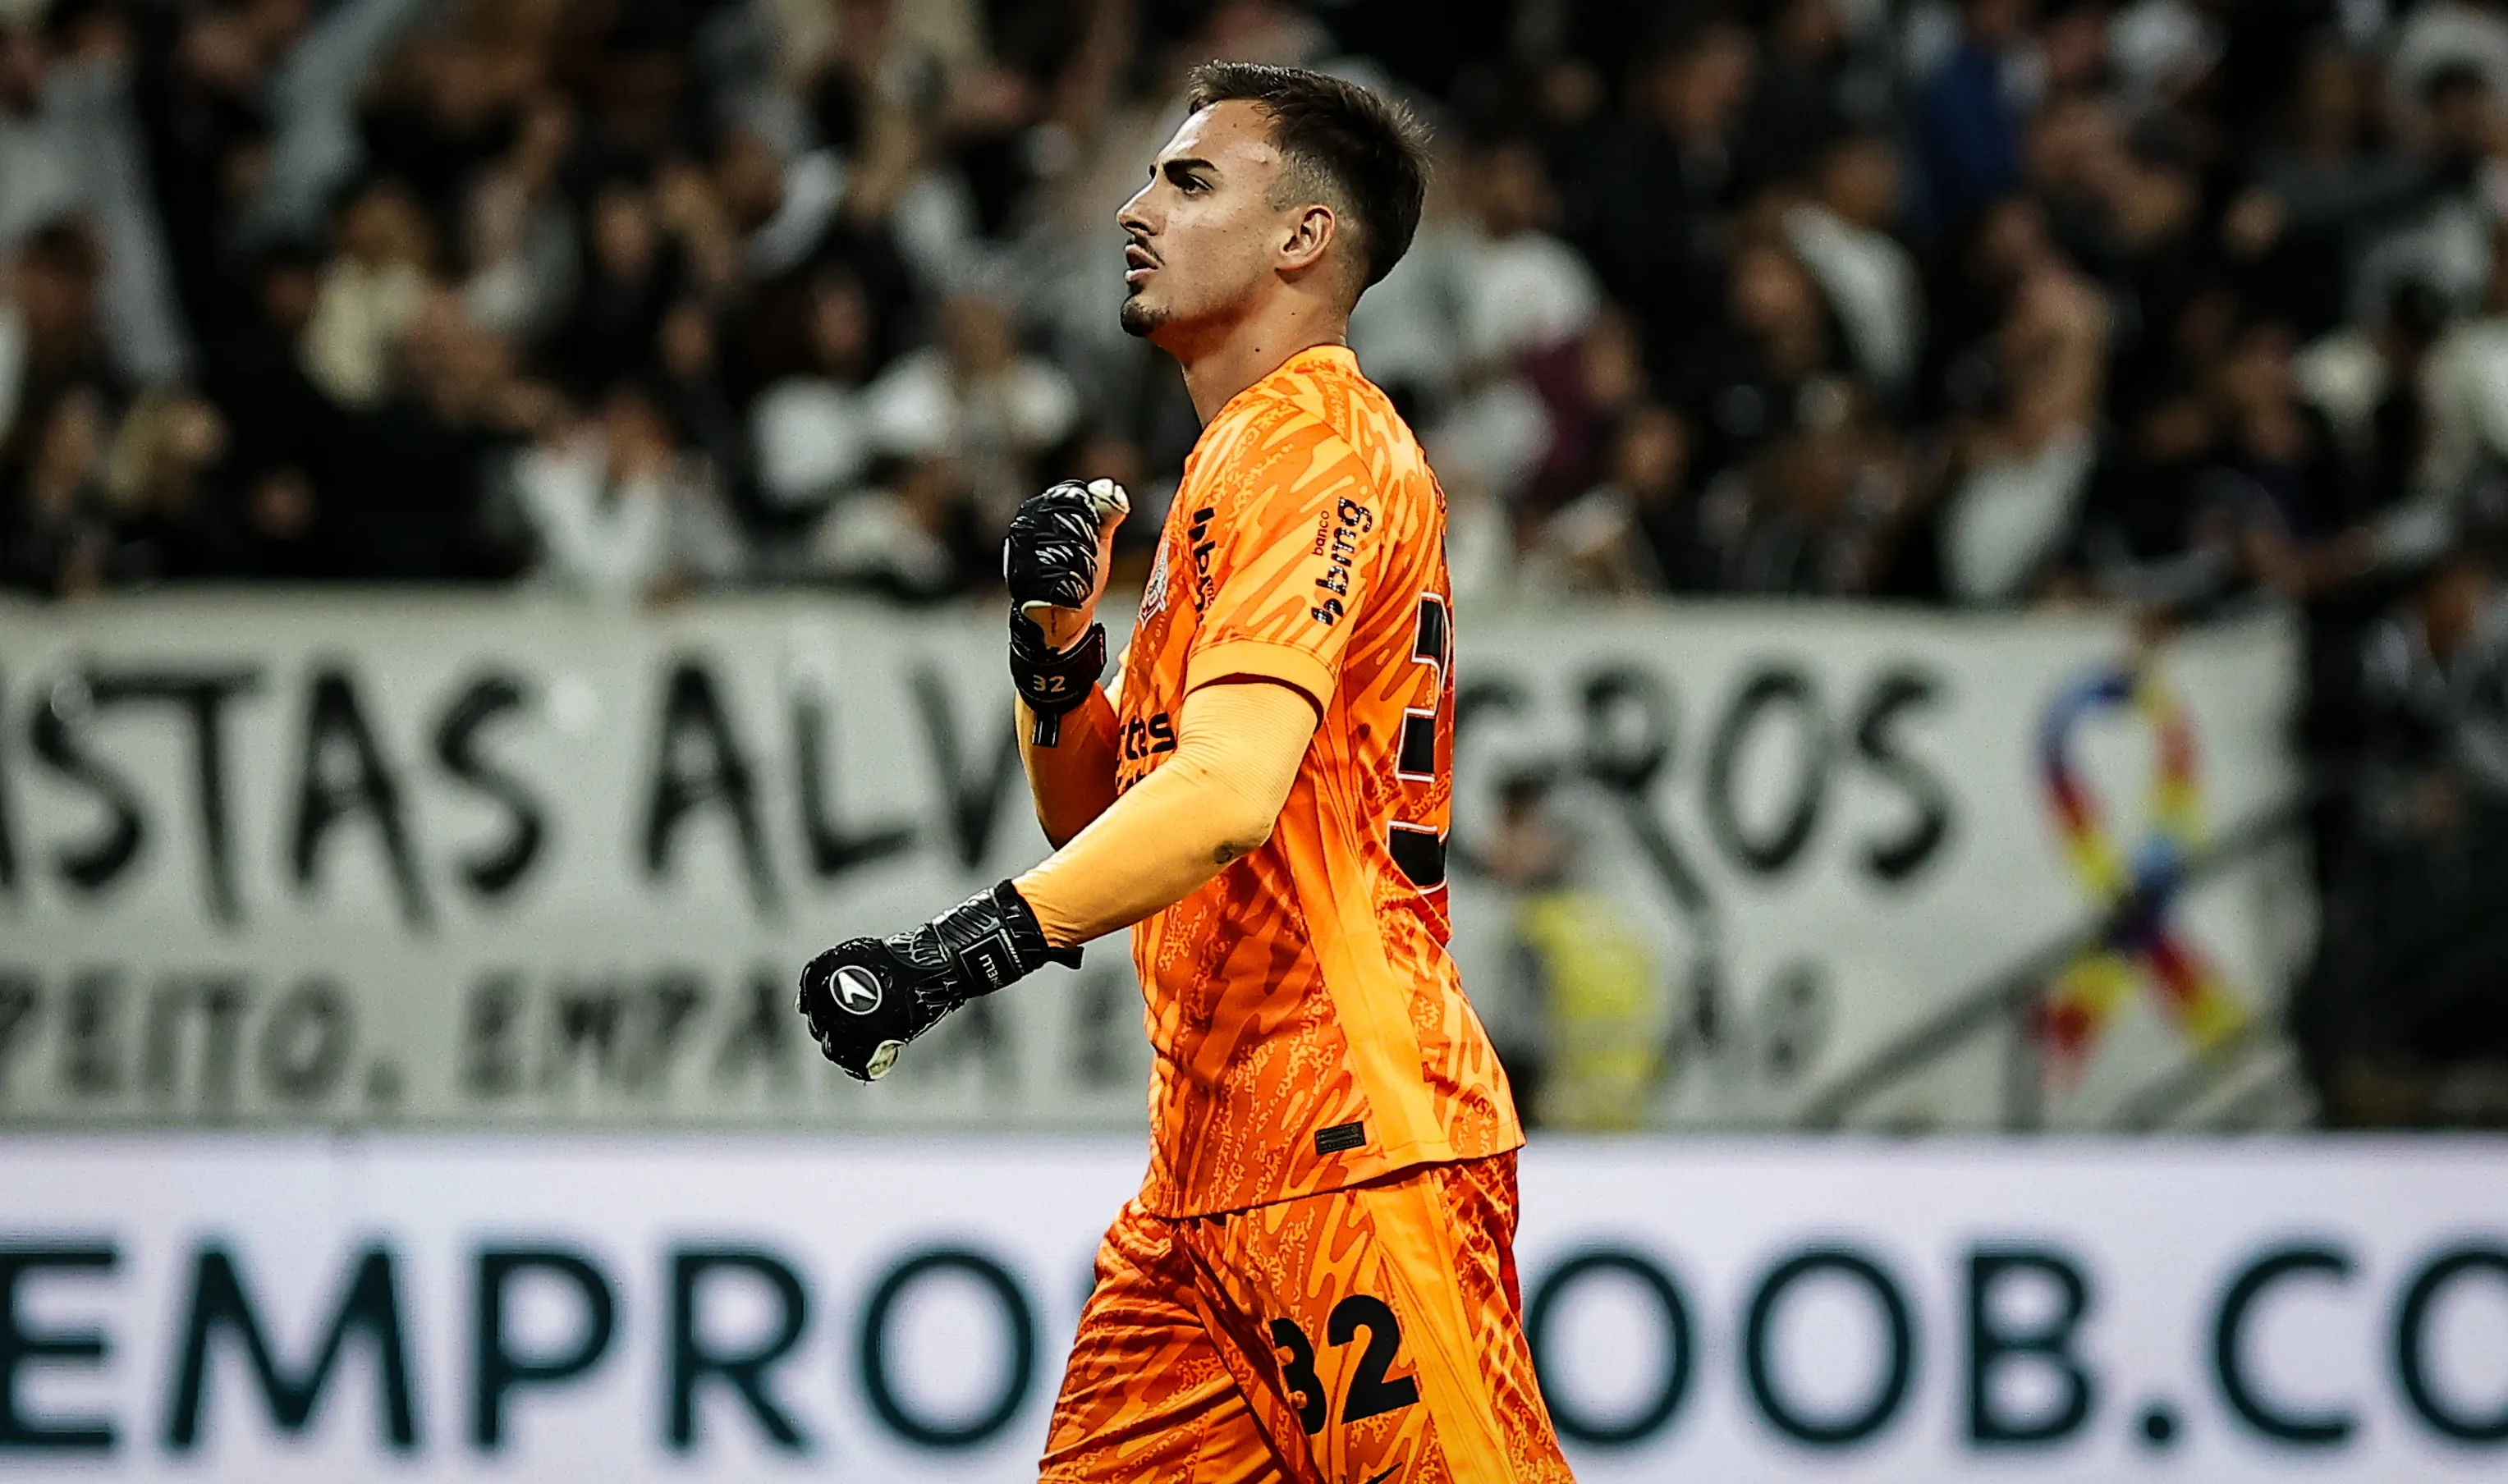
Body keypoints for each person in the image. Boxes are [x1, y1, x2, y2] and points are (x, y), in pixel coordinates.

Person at [794, 62, 1570, 1484]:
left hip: (1346, 1143)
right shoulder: (1233, 464)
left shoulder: (1311, 446)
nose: (1132, 207)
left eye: (1187, 179)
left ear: (1302, 239)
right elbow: (1112, 815)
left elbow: (1221, 801)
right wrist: (1053, 664)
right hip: (1206, 1182)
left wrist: (948, 959)